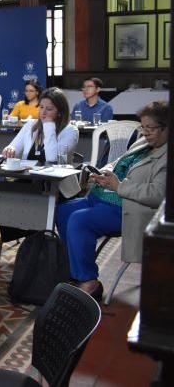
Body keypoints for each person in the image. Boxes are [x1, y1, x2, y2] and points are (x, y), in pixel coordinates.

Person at [56, 101, 168, 300]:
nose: (146, 132)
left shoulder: (166, 156)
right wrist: (105, 171)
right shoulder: (144, 142)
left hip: (128, 208)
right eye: (143, 127)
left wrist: (119, 186)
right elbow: (121, 161)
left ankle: (89, 280)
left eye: (151, 128)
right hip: (103, 198)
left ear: (167, 127)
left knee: (80, 220)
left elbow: (157, 194)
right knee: (63, 211)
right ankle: (75, 270)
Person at [3, 87, 78, 164]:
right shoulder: (30, 125)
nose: (43, 112)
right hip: (29, 175)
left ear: (60, 112)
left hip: (55, 175)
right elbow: (14, 147)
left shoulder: (70, 131)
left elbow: (52, 158)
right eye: (41, 107)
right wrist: (10, 149)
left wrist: (49, 125)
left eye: (49, 109)